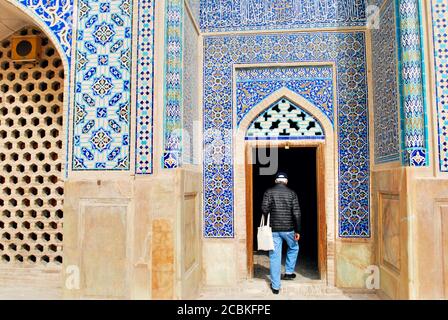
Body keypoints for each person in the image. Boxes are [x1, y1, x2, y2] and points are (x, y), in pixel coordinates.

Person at [261, 172, 301, 294]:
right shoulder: (292, 193)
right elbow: (297, 213)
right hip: (289, 229)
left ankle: (276, 287)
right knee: (294, 247)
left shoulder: (269, 192)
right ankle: (289, 272)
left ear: (276, 181)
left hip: (273, 230)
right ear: (286, 181)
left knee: (274, 256)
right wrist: (298, 230)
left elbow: (264, 209)